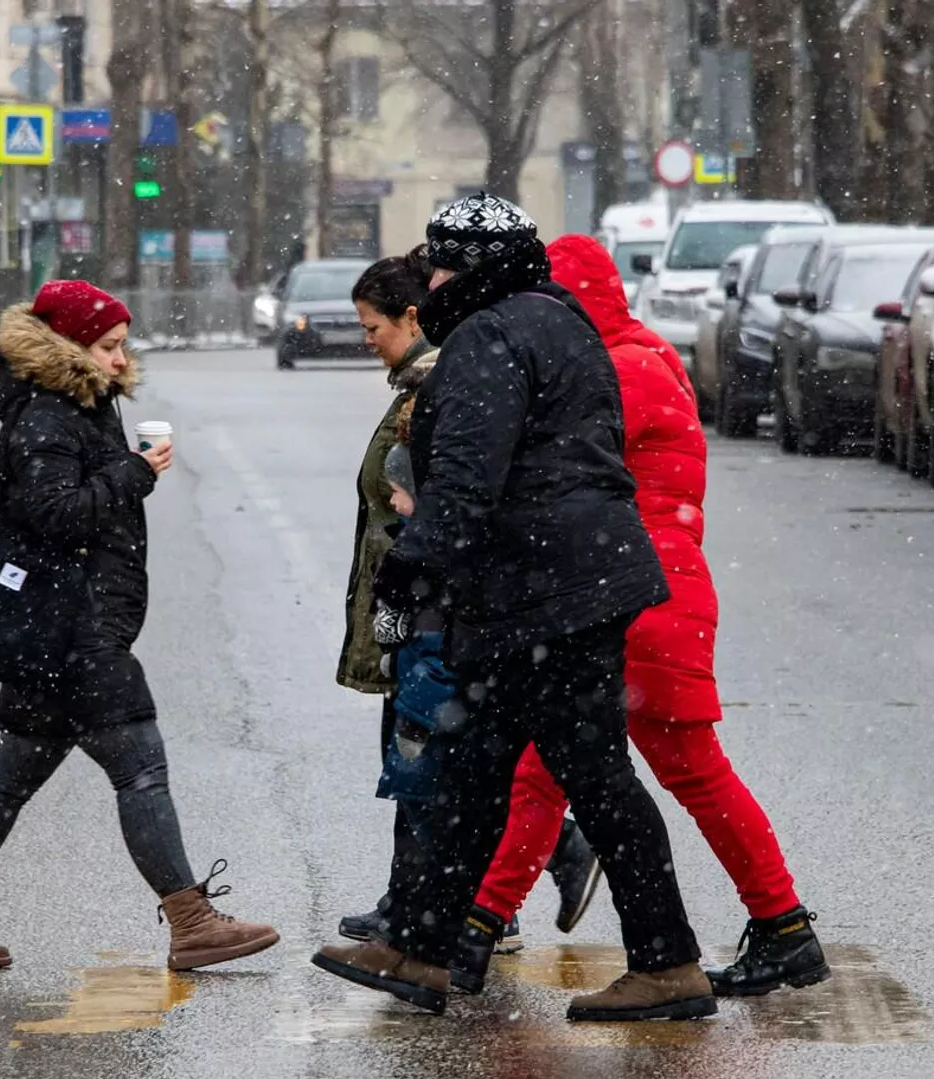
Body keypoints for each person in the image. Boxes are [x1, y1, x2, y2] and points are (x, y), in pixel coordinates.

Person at [311, 194, 714, 1023]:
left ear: (477, 266)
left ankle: (668, 963)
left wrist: (410, 572)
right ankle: (422, 950)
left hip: (542, 598)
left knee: (594, 781)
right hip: (565, 586)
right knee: (473, 774)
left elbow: (465, 480)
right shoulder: (559, 319)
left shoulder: (490, 338)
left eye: (447, 263)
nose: (437, 279)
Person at [453, 235, 828, 998]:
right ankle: (477, 928)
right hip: (654, 590)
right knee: (569, 769)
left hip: (631, 593)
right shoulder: (641, 354)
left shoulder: (612, 368)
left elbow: (540, 458)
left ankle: (781, 926)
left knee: (652, 771)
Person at [0, 279, 279, 972]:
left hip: (53, 629)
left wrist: (126, 471)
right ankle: (191, 921)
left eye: (123, 345)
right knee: (141, 768)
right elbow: (55, 515)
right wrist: (133, 473)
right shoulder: (48, 417)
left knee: (10, 777)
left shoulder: (72, 406)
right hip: (74, 628)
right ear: (67, 348)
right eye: (107, 346)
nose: (118, 358)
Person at [334, 251, 599, 960]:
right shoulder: (427, 379)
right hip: (423, 597)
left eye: (372, 326)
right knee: (436, 760)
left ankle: (458, 907)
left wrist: (414, 550)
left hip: (435, 604)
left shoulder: (439, 382)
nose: (367, 340)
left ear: (411, 317)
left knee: (435, 761)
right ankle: (435, 904)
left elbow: (447, 499)